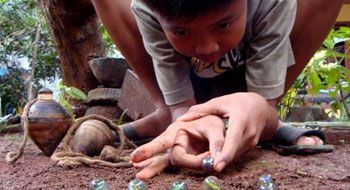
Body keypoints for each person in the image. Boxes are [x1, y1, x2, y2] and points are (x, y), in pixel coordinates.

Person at [92, 0, 344, 179]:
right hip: (186, 95)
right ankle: (165, 113)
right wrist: (183, 119)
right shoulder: (148, 8)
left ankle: (263, 119)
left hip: (251, 90)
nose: (207, 47)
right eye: (181, 31)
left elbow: (259, 99)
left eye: (222, 24)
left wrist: (261, 106)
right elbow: (184, 107)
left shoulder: (272, 4)